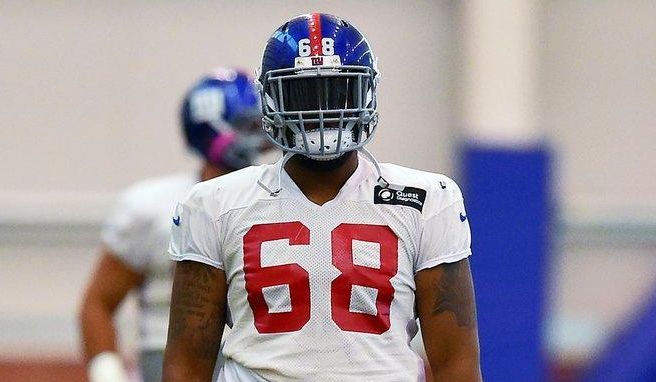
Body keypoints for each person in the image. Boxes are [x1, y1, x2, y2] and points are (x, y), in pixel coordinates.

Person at [163, 13, 481, 382]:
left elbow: (457, 363)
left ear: (366, 92)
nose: (321, 109)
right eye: (303, 93)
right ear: (271, 100)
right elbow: (186, 364)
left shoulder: (427, 200)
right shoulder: (213, 204)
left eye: (337, 90)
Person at [79, 68, 267, 382]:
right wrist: (108, 375)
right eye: (247, 125)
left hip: (257, 359)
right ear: (210, 128)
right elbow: (97, 304)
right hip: (166, 361)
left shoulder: (279, 198)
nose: (259, 135)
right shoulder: (153, 207)